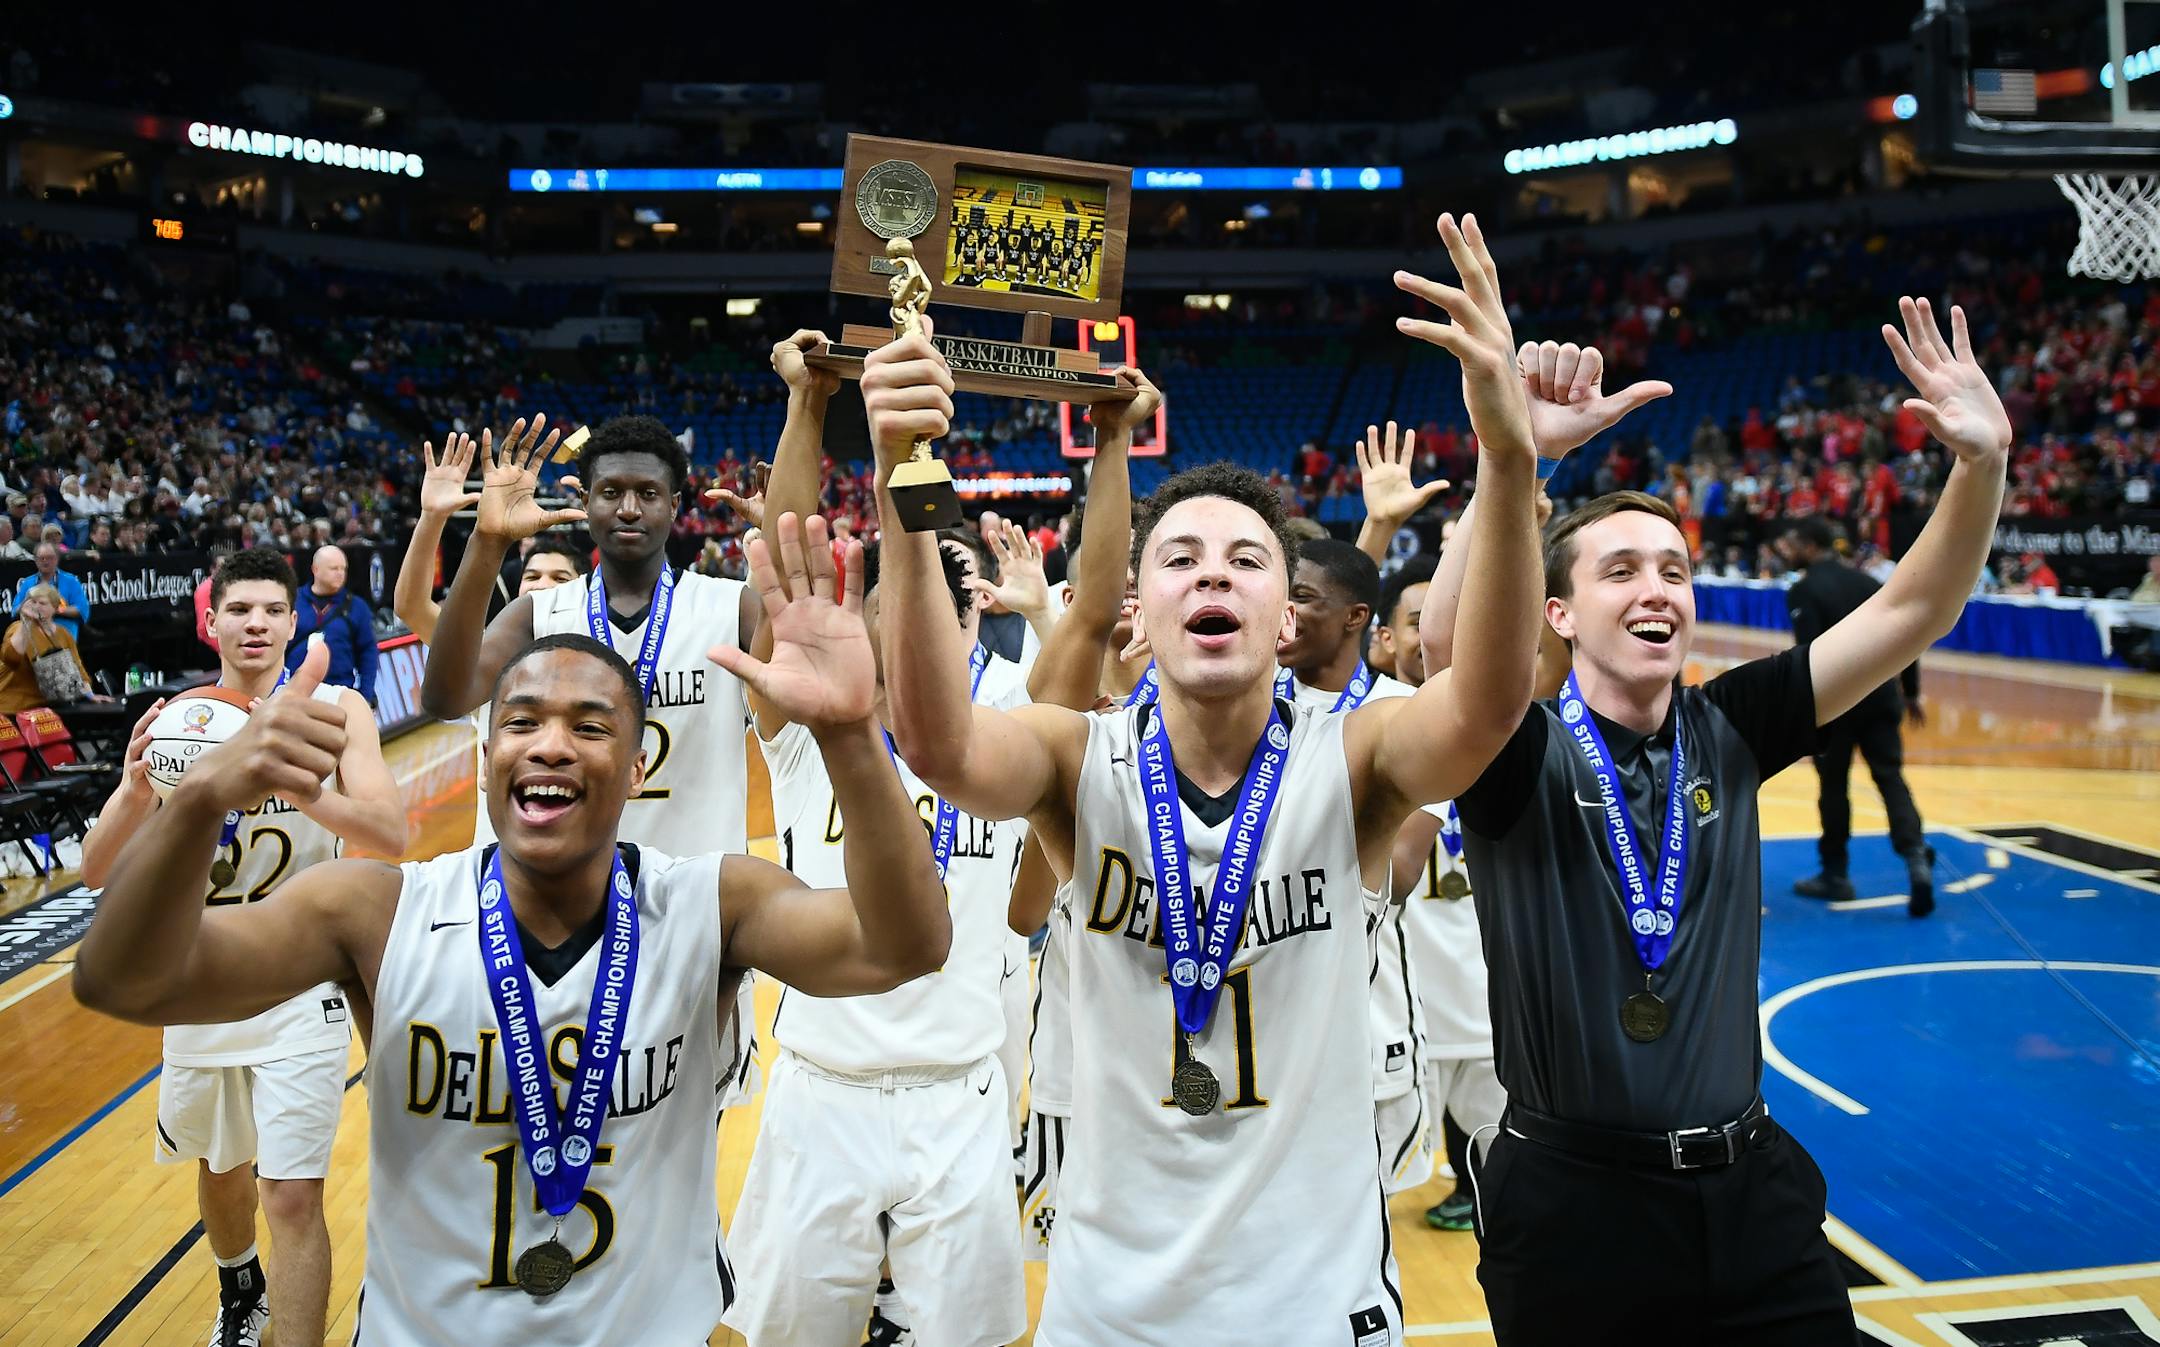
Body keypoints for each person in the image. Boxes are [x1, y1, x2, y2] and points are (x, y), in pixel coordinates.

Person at [875, 211, 1545, 1346]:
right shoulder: (1074, 755)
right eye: (1180, 558)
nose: (1212, 574)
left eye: (1246, 559)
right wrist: (909, 482)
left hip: (1314, 1289)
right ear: (1141, 609)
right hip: (1114, 1294)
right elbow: (941, 749)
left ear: (1286, 617)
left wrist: (1510, 458)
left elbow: (1485, 706)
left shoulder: (1355, 755)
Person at [71, 516, 954, 1344]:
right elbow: (122, 980)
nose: (550, 744)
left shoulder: (711, 904)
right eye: (521, 720)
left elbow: (904, 945)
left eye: (590, 725)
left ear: (639, 762)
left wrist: (847, 735)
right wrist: (196, 798)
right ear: (484, 750)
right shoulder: (373, 910)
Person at [1429, 298, 2008, 1345]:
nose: (1658, 588)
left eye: (1674, 570)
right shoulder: (1516, 752)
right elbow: (1447, 651)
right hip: (1575, 1209)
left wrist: (1983, 465)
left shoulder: (1730, 728)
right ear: (1557, 611)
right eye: (1620, 570)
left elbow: (1913, 611)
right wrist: (1510, 461)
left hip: (1753, 1198)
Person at [79, 547, 410, 1347]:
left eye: (271, 609)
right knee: (222, 1167)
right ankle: (239, 1291)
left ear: (294, 622)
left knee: (290, 1192)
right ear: (211, 622)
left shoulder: (338, 709)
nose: (255, 622)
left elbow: (392, 833)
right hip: (199, 973)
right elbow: (94, 868)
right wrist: (132, 790)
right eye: (239, 609)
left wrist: (310, 791)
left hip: (302, 976)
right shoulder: (176, 724)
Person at [1275, 536, 1436, 1193]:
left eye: (1304, 598)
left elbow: (1400, 868)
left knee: (1362, 1236)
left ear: (1355, 617)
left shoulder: (1406, 711)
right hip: (1272, 1012)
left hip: (1370, 1014)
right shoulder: (1248, 700)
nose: (1285, 611)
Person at [393, 432, 588, 847]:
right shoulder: (488, 657)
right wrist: (431, 518)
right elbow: (411, 605)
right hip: (504, 859)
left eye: (560, 578)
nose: (542, 586)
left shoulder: (606, 655)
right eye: (533, 577)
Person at [1780, 517, 1933, 915]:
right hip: (1882, 696)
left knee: (1833, 788)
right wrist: (1912, 692)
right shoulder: (1869, 584)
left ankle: (1836, 875)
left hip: (1836, 702)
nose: (1785, 549)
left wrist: (1800, 720)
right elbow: (1907, 636)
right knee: (1890, 777)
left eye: (1791, 541)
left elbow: (1809, 655)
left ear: (1810, 545)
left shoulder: (1803, 589)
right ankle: (1916, 857)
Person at [286, 545, 378, 708]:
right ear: (315, 569)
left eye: (343, 568)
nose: (340, 573)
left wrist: (365, 695)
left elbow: (368, 652)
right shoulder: (292, 600)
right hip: (293, 693)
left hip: (339, 693)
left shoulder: (357, 607)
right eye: (334, 568)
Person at [1, 584, 103, 714]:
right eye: (32, 601)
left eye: (42, 603)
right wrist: (26, 621)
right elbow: (11, 659)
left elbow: (78, 670)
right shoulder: (18, 629)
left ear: (55, 607)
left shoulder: (63, 634)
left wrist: (90, 696)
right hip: (12, 708)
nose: (36, 606)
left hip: (45, 709)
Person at [15, 542, 91, 641]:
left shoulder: (71, 580)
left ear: (57, 559)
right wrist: (26, 603)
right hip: (34, 642)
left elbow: (81, 609)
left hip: (64, 639)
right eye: (41, 558)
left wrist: (56, 610)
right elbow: (15, 611)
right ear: (35, 560)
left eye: (50, 557)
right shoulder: (27, 583)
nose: (45, 561)